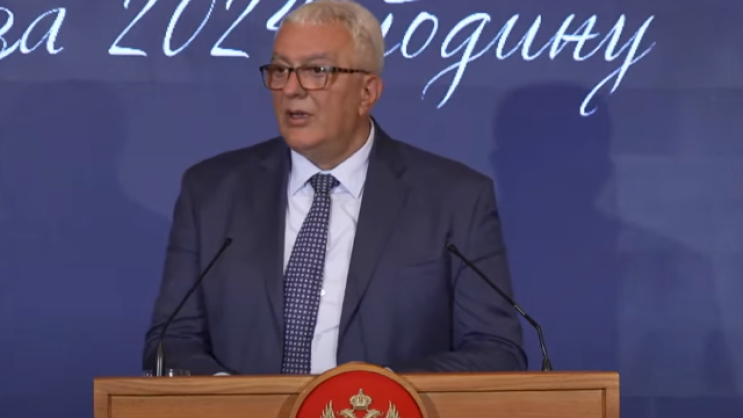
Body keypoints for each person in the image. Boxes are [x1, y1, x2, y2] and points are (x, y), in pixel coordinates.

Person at [143, 0, 526, 375]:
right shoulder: (211, 192)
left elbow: (495, 351)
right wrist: (232, 399)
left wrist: (377, 393)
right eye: (280, 70)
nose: (291, 89)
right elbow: (170, 341)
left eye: (317, 71)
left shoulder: (455, 200)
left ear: (367, 93)